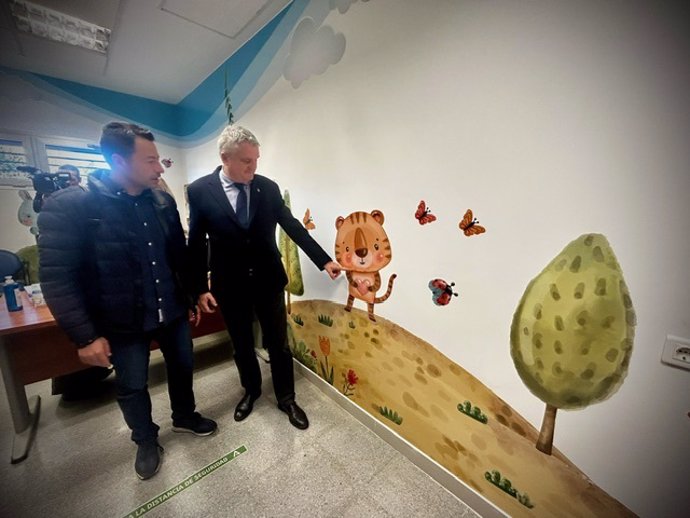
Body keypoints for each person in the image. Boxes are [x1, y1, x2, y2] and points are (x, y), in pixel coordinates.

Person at [38, 122, 217, 481]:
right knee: (132, 385)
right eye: (150, 160)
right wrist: (85, 336)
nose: (160, 168)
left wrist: (193, 292)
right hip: (121, 322)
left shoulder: (161, 201)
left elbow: (179, 255)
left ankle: (184, 416)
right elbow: (58, 277)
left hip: (172, 310)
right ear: (119, 161)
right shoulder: (73, 207)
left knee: (183, 368)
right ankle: (146, 440)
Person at [187, 125, 341, 430]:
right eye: (246, 161)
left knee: (278, 343)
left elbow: (292, 225)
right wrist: (196, 289)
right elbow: (195, 242)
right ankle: (252, 391)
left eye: (256, 159)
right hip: (228, 285)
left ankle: (287, 398)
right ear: (225, 158)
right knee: (242, 344)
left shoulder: (267, 188)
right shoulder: (200, 191)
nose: (253, 167)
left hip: (268, 280)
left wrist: (324, 260)